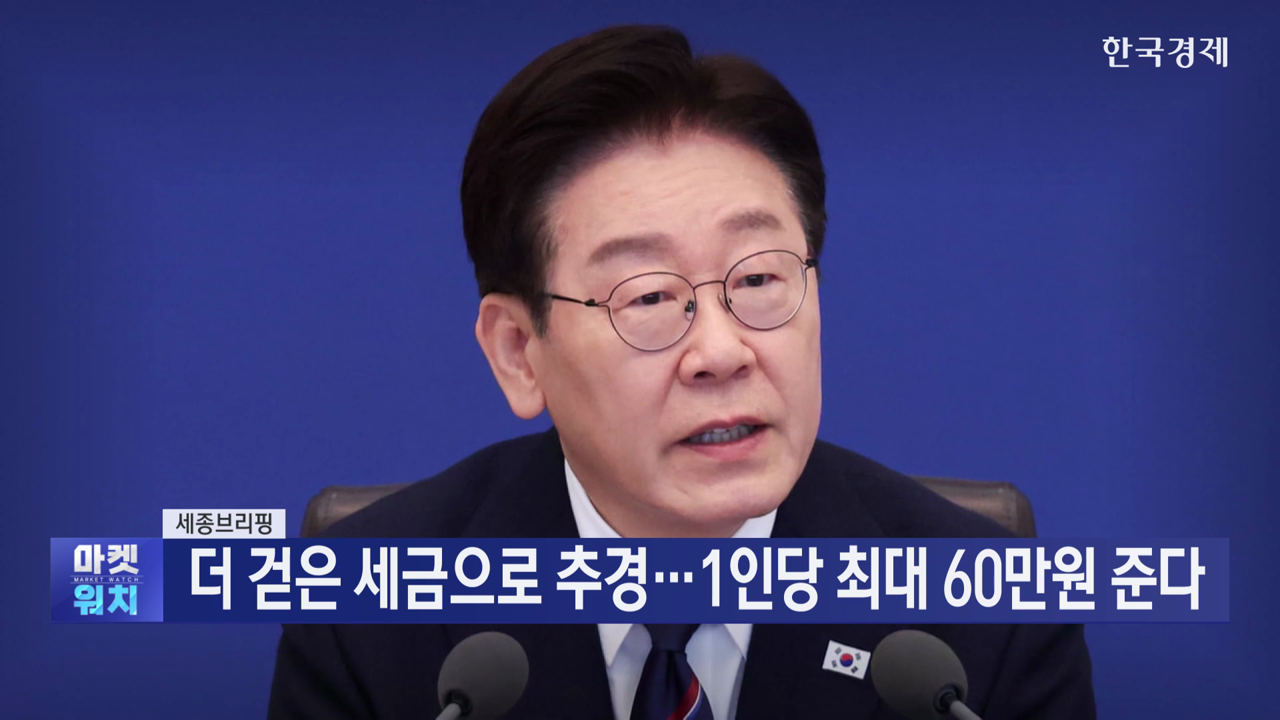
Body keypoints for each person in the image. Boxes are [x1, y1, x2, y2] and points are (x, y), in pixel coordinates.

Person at [267, 24, 1096, 719]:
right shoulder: (367, 613)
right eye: (651, 297)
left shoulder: (990, 617)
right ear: (519, 351)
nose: (723, 352)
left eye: (759, 279)